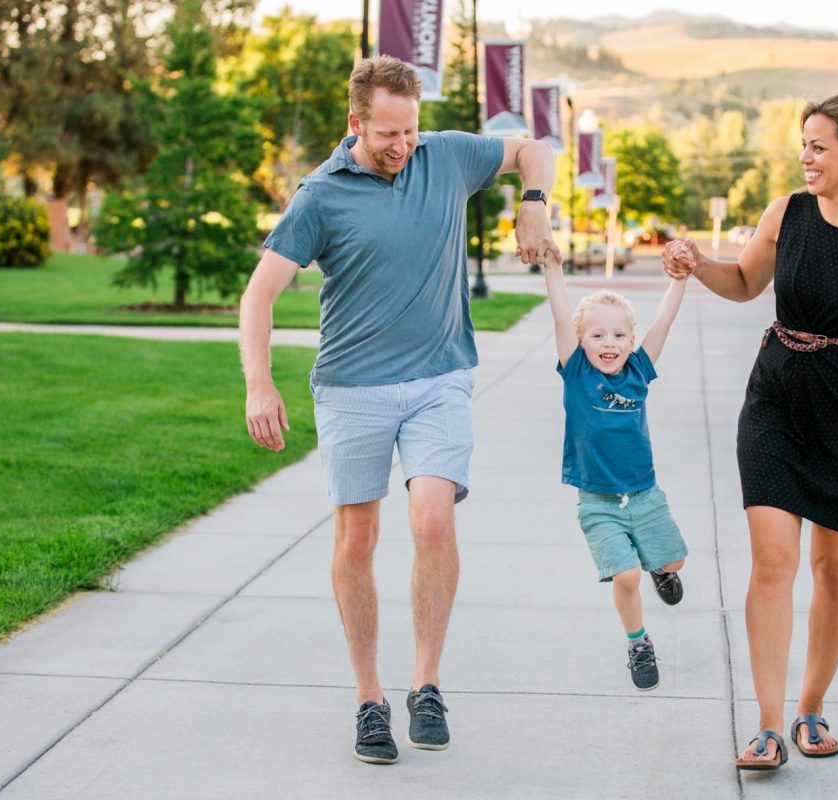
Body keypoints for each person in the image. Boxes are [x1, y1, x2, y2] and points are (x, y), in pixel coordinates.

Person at [239, 56, 559, 765]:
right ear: (355, 123)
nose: (402, 145)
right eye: (388, 133)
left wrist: (533, 199)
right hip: (352, 386)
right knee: (357, 540)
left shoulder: (443, 156)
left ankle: (427, 686)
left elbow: (534, 146)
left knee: (434, 516)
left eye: (410, 129)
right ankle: (368, 700)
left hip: (439, 378)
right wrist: (260, 384)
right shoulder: (320, 195)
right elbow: (258, 295)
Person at [663, 93, 838, 770]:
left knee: (834, 567)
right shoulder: (785, 213)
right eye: (804, 144)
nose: (806, 156)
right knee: (772, 560)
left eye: (819, 146)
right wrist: (696, 261)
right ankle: (765, 725)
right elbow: (741, 283)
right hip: (777, 395)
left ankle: (810, 707)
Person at [541, 257, 690, 691]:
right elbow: (558, 312)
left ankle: (662, 570)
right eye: (598, 334)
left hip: (645, 496)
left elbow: (663, 322)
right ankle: (638, 642)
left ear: (631, 340)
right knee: (625, 576)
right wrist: (552, 267)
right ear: (581, 339)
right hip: (598, 502)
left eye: (620, 334)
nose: (610, 342)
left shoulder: (638, 370)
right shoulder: (577, 372)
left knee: (673, 560)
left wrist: (678, 280)